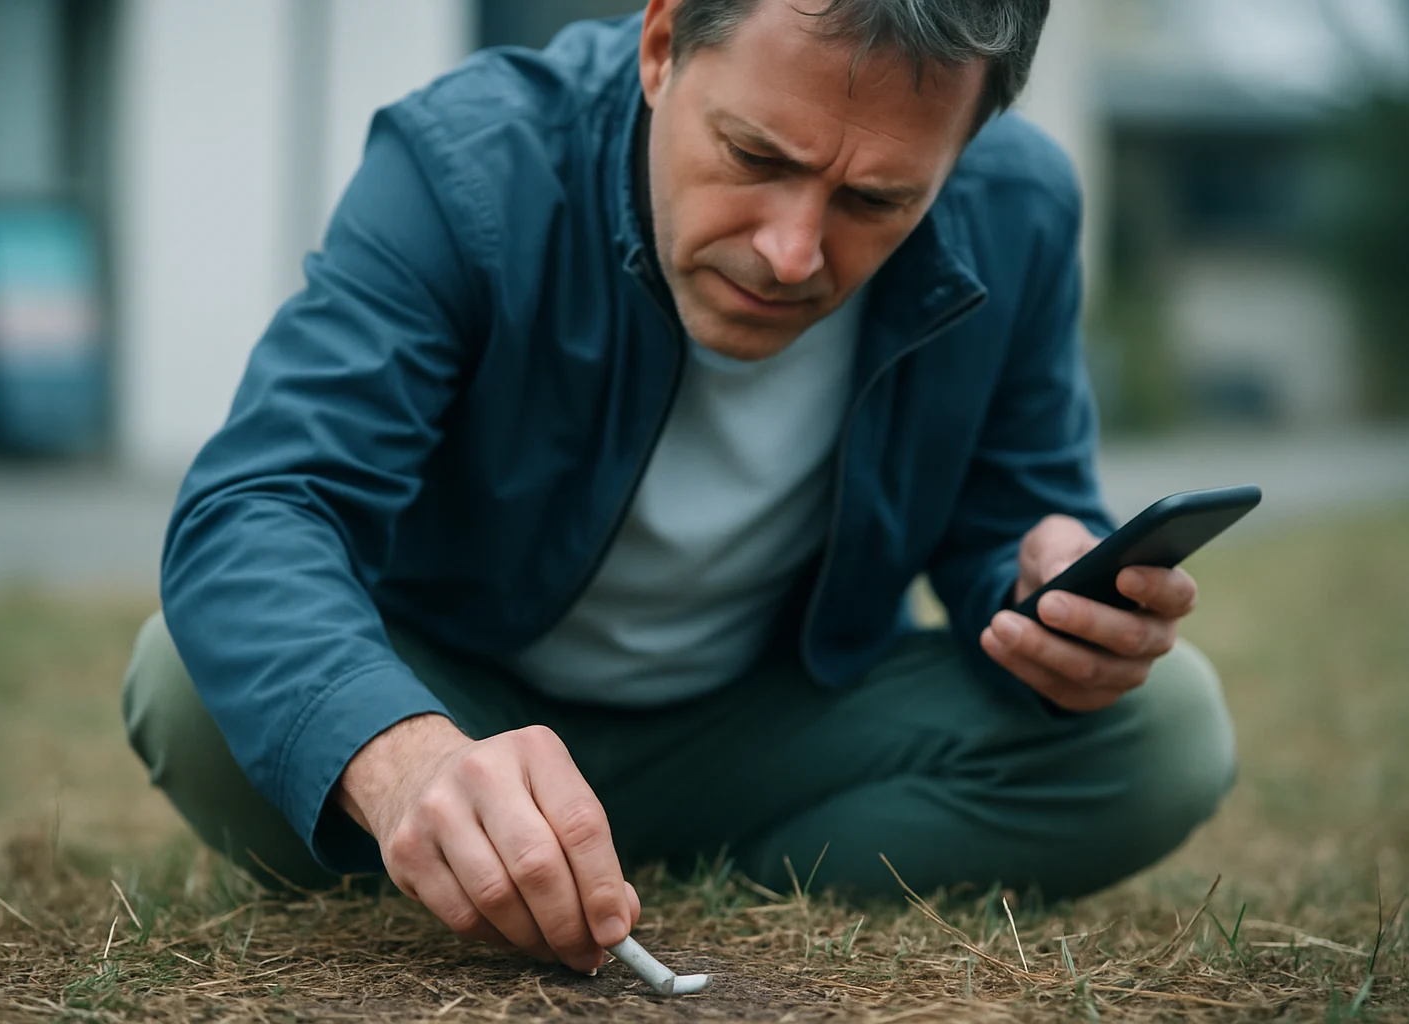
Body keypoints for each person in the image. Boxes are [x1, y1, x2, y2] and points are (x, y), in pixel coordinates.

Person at [122, 0, 1236, 978]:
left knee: (1167, 729)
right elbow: (260, 506)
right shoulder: (468, 167)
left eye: (877, 200)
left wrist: (1047, 589)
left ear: (966, 144)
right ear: (663, 43)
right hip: (468, 706)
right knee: (187, 680)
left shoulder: (1020, 208)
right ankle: (482, 840)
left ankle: (647, 873)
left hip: (763, 734)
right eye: (755, 156)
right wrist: (408, 760)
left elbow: (1010, 514)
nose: (793, 252)